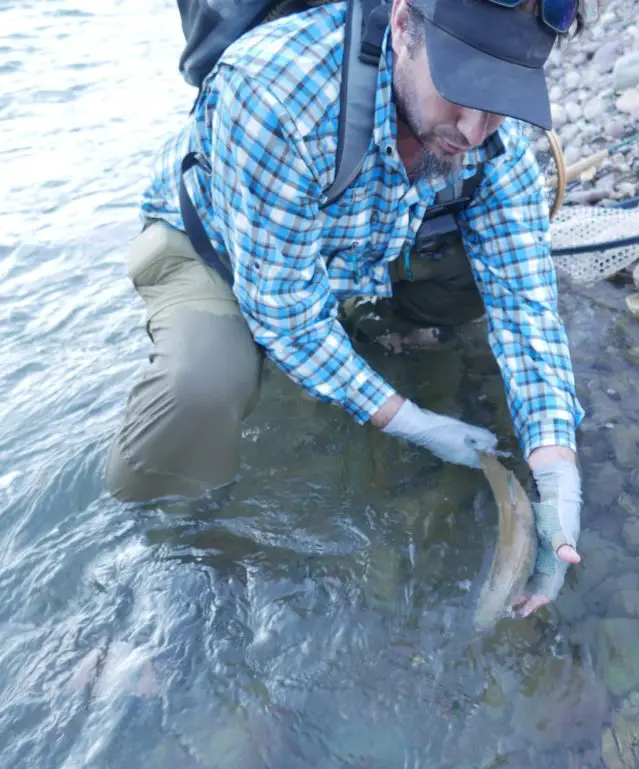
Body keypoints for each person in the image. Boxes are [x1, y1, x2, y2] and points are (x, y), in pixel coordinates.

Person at [103, 0, 588, 617]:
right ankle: (154, 550)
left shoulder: (499, 138)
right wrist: (409, 419)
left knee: (474, 280)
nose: (472, 129)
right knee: (199, 384)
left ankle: (376, 326)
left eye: (498, 98)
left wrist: (555, 467)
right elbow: (287, 315)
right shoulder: (274, 93)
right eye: (460, 88)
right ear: (404, 23)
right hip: (219, 246)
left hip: (352, 247)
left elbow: (525, 305)